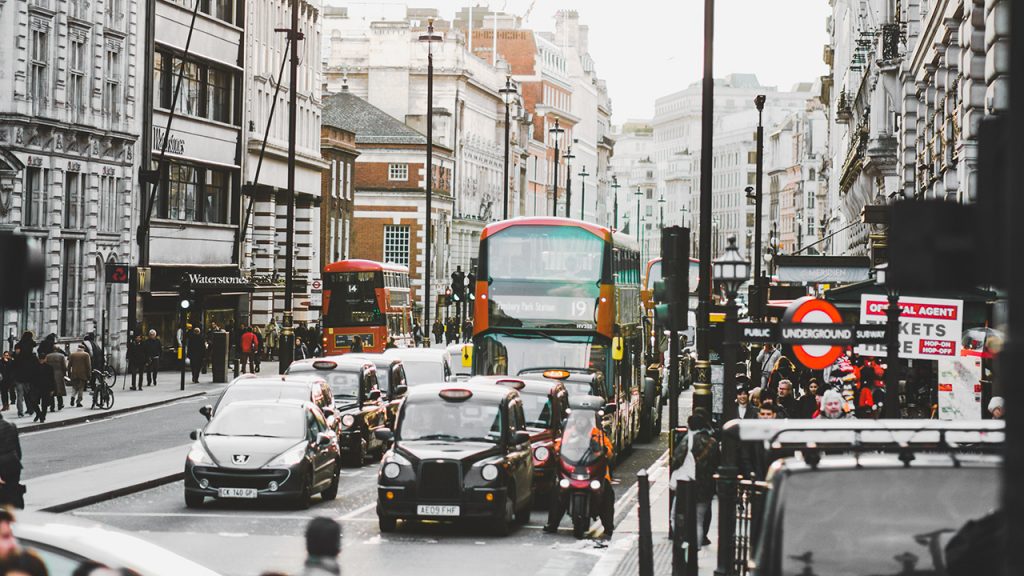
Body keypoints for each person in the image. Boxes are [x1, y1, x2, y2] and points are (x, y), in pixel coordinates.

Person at [544, 411, 615, 536]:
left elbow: (608, 451)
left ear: (588, 421)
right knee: (557, 492)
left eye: (583, 420)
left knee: (607, 493)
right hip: (572, 471)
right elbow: (559, 447)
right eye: (578, 420)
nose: (580, 422)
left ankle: (608, 526)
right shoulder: (569, 434)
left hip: (593, 471)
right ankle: (552, 523)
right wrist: (557, 451)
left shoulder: (597, 434)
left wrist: (603, 450)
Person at [0, 411, 22, 509]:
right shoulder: (11, 425)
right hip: (13, 462)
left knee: (4, 494)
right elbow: (17, 448)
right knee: (14, 490)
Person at [10, 334, 36, 418]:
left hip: (19, 377)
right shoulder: (32, 353)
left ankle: (20, 412)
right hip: (29, 377)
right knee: (28, 394)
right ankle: (30, 409)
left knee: (20, 396)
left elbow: (15, 357)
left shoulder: (18, 347)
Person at [31, 354, 54, 423]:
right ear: (45, 359)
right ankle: (42, 416)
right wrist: (52, 388)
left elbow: (32, 378)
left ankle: (39, 414)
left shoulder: (35, 367)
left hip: (37, 387)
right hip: (45, 387)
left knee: (34, 402)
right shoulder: (49, 367)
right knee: (44, 404)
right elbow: (52, 379)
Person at [44, 348, 67, 412]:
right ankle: (60, 404)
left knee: (52, 390)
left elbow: (45, 365)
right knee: (59, 390)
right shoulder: (61, 356)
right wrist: (64, 374)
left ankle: (52, 406)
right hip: (59, 374)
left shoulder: (48, 356)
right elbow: (64, 366)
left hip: (50, 374)